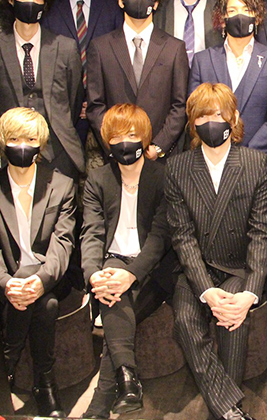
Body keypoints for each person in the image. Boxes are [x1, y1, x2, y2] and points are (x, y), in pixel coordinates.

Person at [165, 83, 267, 420]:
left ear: (234, 118)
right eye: (202, 116)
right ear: (192, 123)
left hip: (238, 268)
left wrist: (250, 293)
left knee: (233, 318)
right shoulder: (178, 168)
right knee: (185, 320)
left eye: (217, 114)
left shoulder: (256, 163)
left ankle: (223, 410)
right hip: (196, 270)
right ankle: (229, 408)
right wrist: (206, 290)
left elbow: (261, 234)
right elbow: (183, 237)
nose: (210, 122)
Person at [0, 107, 77, 417]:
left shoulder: (62, 185)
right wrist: (8, 283)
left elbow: (63, 244)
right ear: (3, 141)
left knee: (45, 295)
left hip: (51, 276)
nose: (22, 146)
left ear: (41, 143)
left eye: (30, 139)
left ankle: (7, 365)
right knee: (46, 305)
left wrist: (41, 281)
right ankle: (45, 383)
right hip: (9, 280)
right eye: (15, 138)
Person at [80, 104, 179, 418]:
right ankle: (127, 382)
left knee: (114, 305)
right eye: (117, 137)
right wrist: (93, 274)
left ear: (145, 138)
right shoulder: (97, 179)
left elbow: (160, 237)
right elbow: (91, 232)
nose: (125, 142)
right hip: (113, 263)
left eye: (132, 135)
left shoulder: (164, 176)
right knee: (111, 286)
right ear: (107, 141)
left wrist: (132, 274)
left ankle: (101, 401)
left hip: (154, 268)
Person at [0, 0, 85, 179]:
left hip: (60, 152)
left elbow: (74, 100)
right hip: (14, 154)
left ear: (45, 3)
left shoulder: (65, 47)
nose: (30, 2)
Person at [86, 0, 189, 161]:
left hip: (159, 159)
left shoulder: (174, 48)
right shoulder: (100, 47)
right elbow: (95, 105)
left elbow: (180, 105)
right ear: (120, 0)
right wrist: (114, 144)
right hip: (116, 156)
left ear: (156, 3)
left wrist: (159, 146)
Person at [189, 0, 267, 163]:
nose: (240, 15)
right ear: (223, 18)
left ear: (257, 18)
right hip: (212, 158)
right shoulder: (202, 61)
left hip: (258, 160)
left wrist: (248, 154)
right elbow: (195, 112)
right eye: (232, 10)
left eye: (246, 10)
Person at [42, 0, 124, 144]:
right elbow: (49, 68)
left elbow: (121, 61)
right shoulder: (50, 14)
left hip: (107, 107)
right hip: (68, 110)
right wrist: (75, 102)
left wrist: (98, 102)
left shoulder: (112, 8)